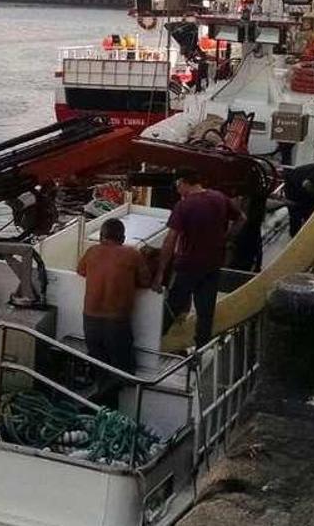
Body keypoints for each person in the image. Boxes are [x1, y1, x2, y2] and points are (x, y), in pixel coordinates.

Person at [154, 172, 243, 346]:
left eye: (177, 185)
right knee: (205, 311)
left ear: (183, 182)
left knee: (173, 306)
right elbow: (241, 218)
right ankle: (201, 349)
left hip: (188, 265)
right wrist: (227, 238)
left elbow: (170, 240)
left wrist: (160, 272)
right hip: (213, 263)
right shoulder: (219, 197)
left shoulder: (183, 206)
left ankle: (153, 343)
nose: (177, 189)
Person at [77, 218, 150, 403]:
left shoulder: (92, 251)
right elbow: (146, 281)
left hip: (90, 321)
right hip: (116, 323)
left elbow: (80, 271)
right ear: (123, 238)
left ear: (101, 236)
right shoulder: (132, 255)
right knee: (125, 371)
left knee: (101, 369)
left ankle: (102, 407)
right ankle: (100, 401)